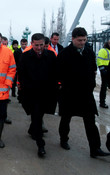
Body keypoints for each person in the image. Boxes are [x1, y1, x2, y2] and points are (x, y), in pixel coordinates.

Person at [57, 27, 110, 158]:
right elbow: (59, 73)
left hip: (86, 94)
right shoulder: (64, 54)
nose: (82, 43)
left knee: (90, 121)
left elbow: (93, 69)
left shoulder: (89, 52)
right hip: (69, 94)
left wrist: (91, 84)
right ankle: (64, 139)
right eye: (80, 40)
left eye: (84, 40)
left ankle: (95, 148)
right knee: (66, 118)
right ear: (73, 39)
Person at [18, 33, 58, 158]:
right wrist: (23, 89)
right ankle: (41, 145)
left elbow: (55, 73)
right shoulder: (25, 57)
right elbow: (21, 74)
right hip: (31, 93)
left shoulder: (51, 56)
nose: (39, 48)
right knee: (36, 116)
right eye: (36, 45)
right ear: (32, 44)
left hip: (46, 93)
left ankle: (32, 129)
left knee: (39, 115)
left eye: (42, 45)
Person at [97, 40, 110, 108]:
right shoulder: (103, 50)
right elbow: (99, 60)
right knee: (104, 86)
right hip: (105, 69)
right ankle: (102, 102)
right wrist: (102, 70)